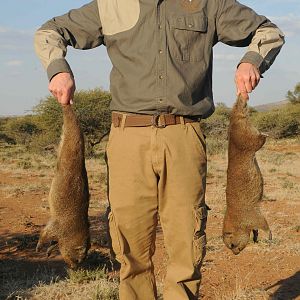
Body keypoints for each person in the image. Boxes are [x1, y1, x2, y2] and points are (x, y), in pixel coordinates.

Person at [34, 1, 284, 299]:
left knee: (186, 244)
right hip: (127, 138)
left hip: (184, 135)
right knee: (130, 246)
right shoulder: (111, 6)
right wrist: (57, 70)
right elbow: (49, 32)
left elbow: (268, 31)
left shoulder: (209, 4)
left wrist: (252, 61)